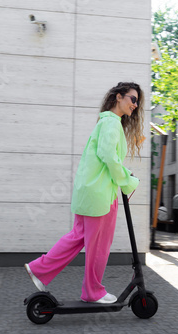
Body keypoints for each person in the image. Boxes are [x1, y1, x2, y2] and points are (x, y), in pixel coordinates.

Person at [24, 82, 144, 304]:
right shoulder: (111, 123)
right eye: (133, 99)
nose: (135, 105)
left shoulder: (104, 122)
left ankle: (38, 269)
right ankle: (93, 291)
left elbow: (105, 158)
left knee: (77, 237)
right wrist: (128, 181)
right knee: (99, 246)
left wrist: (125, 174)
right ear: (119, 97)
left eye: (137, 101)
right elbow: (109, 156)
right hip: (101, 196)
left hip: (89, 193)